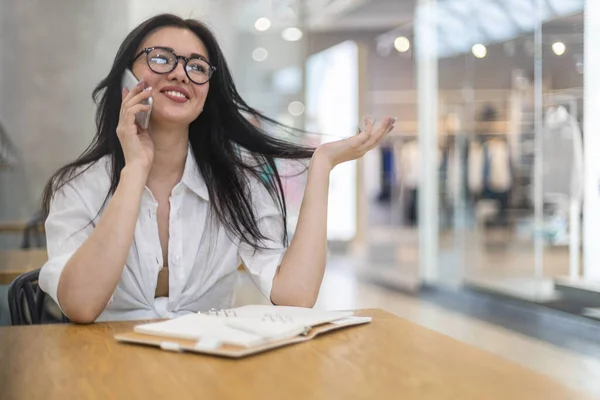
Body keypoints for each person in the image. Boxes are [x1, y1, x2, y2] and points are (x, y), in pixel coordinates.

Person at [39, 14, 395, 323]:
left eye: (196, 67)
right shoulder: (78, 186)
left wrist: (322, 165)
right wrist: (134, 170)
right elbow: (81, 305)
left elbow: (295, 296)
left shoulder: (237, 183)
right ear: (126, 81)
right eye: (161, 59)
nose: (181, 74)